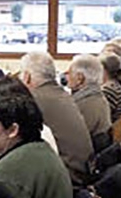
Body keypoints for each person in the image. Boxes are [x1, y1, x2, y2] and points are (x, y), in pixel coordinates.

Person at [19, 52, 93, 186]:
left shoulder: (33, 100)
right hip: (82, 167)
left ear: (26, 77)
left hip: (67, 174)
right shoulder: (63, 94)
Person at [67, 54, 112, 149]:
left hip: (84, 158)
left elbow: (69, 139)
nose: (66, 76)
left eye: (69, 73)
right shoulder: (96, 96)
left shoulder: (84, 104)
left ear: (80, 78)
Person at [99, 52, 121, 123]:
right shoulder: (115, 84)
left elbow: (102, 117)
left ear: (103, 69)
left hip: (112, 130)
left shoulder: (108, 90)